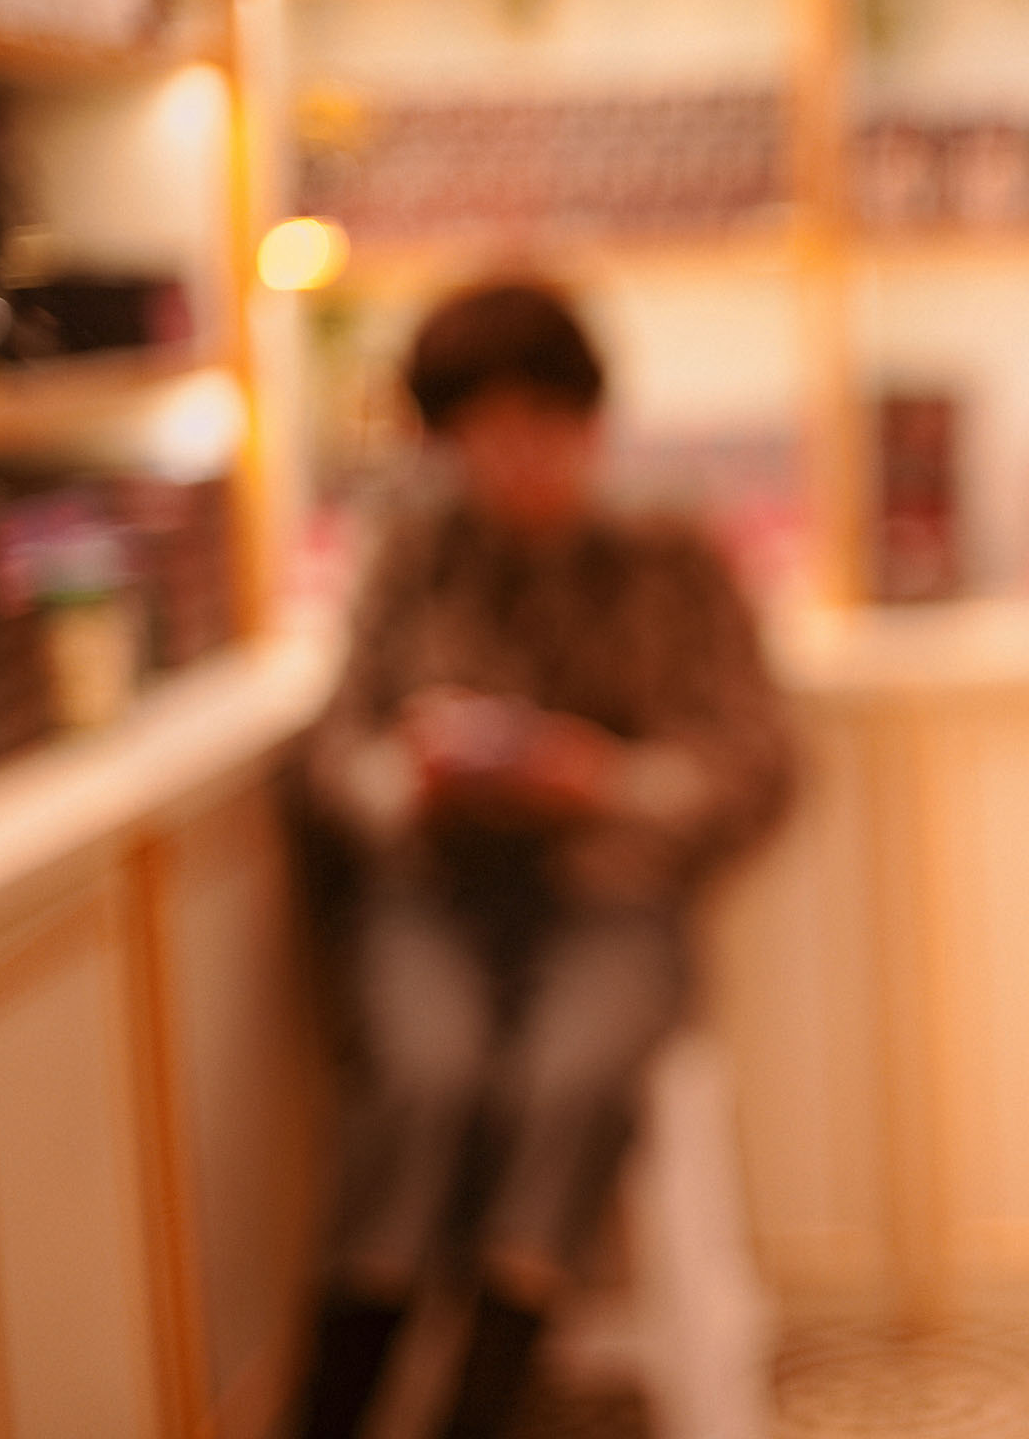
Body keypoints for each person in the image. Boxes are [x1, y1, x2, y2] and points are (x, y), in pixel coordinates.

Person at [290, 281, 792, 1439]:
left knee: (571, 1073)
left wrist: (600, 778)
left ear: (588, 420)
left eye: (540, 424)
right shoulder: (413, 555)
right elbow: (339, 750)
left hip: (614, 893)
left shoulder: (670, 557)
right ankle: (340, 1397)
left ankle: (487, 1391)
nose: (514, 457)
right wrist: (408, 780)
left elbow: (759, 761)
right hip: (435, 892)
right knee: (426, 1073)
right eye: (481, 432)